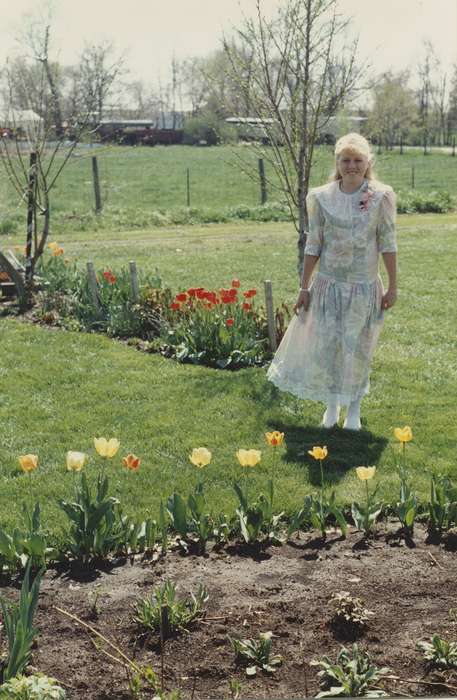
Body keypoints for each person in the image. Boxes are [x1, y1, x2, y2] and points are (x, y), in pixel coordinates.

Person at [266, 133, 397, 430]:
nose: (352, 166)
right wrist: (304, 287)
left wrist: (392, 286)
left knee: (358, 347)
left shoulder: (381, 196)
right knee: (330, 346)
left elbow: (388, 243)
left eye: (358, 160)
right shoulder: (321, 197)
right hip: (328, 286)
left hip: (364, 288)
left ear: (368, 163)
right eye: (346, 160)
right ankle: (331, 404)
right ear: (337, 162)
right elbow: (314, 243)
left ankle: (354, 409)